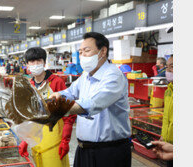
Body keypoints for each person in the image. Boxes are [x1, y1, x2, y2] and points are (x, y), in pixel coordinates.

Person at [50, 32, 131, 167]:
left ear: (103, 51)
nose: (82, 56)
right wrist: (59, 95)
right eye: (80, 52)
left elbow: (93, 104)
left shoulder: (114, 76)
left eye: (87, 51)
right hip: (84, 150)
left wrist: (60, 108)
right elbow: (70, 91)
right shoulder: (86, 75)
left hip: (109, 153)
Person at [19, 47, 76, 167]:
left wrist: (65, 141)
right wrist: (26, 140)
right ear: (27, 65)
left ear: (44, 62)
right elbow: (31, 117)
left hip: (54, 142)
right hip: (36, 143)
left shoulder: (56, 82)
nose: (35, 64)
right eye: (32, 62)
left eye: (38, 61)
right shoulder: (30, 85)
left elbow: (68, 115)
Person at [160, 55, 173, 167]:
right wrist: (163, 136)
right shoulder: (168, 91)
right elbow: (166, 118)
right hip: (169, 144)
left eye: (172, 67)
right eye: (167, 67)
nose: (168, 70)